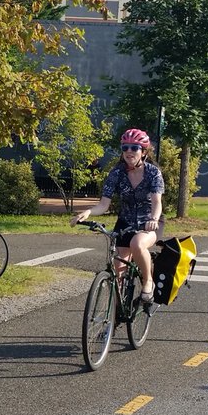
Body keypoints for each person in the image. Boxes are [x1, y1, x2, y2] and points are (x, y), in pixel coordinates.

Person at [71, 127, 164, 306]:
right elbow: (103, 205)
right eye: (125, 148)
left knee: (137, 244)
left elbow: (157, 202)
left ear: (143, 152)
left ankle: (148, 282)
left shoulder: (153, 172)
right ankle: (112, 318)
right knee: (117, 273)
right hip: (125, 223)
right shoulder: (117, 173)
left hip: (149, 223)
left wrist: (153, 220)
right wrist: (88, 212)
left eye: (134, 148)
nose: (129, 151)